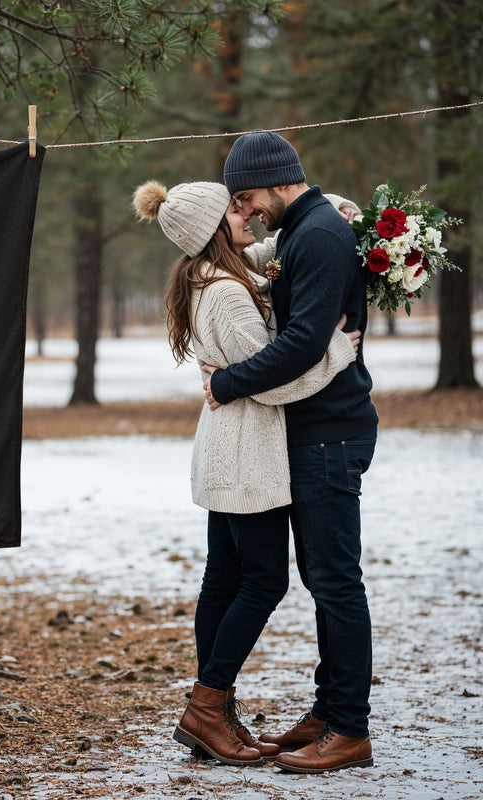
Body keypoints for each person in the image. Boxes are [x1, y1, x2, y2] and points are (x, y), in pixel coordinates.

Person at [132, 178, 360, 767]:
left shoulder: (208, 273)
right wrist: (338, 348)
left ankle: (214, 709)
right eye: (234, 210)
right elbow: (276, 378)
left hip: (227, 448)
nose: (247, 215)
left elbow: (265, 255)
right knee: (264, 582)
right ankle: (207, 708)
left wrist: (328, 213)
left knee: (224, 578)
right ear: (213, 229)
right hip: (246, 453)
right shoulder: (228, 296)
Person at [203, 130, 379, 774]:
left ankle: (350, 727)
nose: (246, 212)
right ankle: (328, 710)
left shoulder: (321, 234)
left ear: (278, 180)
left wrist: (226, 380)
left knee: (335, 580)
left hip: (331, 430)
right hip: (311, 429)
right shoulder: (305, 230)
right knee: (321, 579)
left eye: (248, 198)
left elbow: (306, 342)